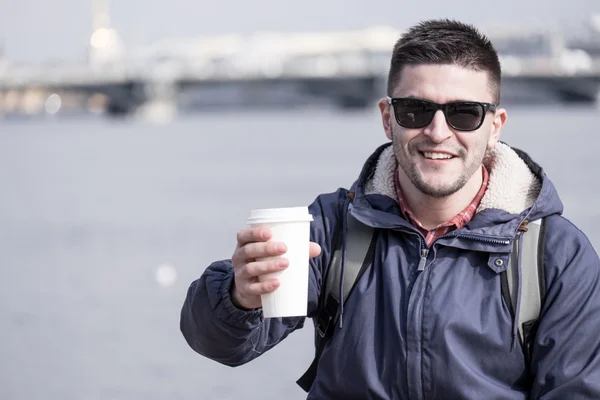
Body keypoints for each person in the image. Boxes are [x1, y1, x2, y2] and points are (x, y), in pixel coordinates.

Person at [180, 19, 600, 399]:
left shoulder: (555, 256)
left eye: (464, 114)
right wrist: (240, 298)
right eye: (415, 110)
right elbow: (218, 345)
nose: (437, 132)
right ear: (387, 118)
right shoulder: (331, 228)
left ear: (495, 127)